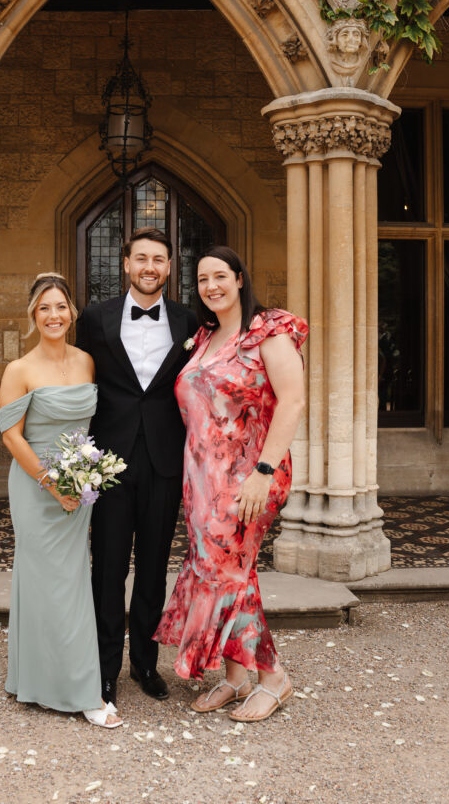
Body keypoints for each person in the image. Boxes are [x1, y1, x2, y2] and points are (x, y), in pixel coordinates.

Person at [155, 246, 307, 722]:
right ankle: (236, 678)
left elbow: (293, 402)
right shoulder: (203, 336)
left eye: (220, 276)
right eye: (202, 279)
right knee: (218, 570)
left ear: (240, 279)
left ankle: (273, 677)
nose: (211, 286)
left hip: (249, 477)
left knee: (228, 574)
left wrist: (262, 473)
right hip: (201, 480)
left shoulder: (268, 331)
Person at [76, 228, 197, 706]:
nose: (150, 266)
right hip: (109, 461)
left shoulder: (190, 322)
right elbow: (77, 379)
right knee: (106, 569)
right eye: (141, 258)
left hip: (165, 460)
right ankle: (104, 670)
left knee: (152, 569)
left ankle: (145, 664)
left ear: (169, 268)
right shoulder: (93, 319)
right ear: (125, 263)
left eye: (159, 259)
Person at [0, 272, 122, 728]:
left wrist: (82, 482)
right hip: (37, 487)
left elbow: (90, 429)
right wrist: (54, 485)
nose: (54, 315)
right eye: (44, 307)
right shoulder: (19, 370)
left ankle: (34, 677)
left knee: (68, 582)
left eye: (61, 307)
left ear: (72, 312)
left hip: (78, 487)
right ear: (33, 314)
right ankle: (77, 690)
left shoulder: (88, 362)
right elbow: (12, 437)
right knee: (46, 579)